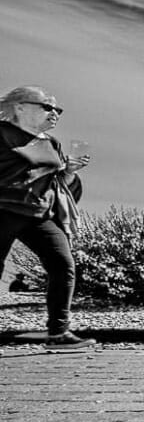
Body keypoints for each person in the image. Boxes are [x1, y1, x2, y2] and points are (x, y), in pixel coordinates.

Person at [0, 86, 94, 346]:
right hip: (4, 209)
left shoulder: (51, 143)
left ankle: (58, 332)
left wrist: (70, 172)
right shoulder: (2, 133)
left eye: (58, 110)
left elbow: (57, 183)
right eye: (47, 107)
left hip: (39, 213)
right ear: (20, 107)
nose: (54, 113)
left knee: (63, 265)